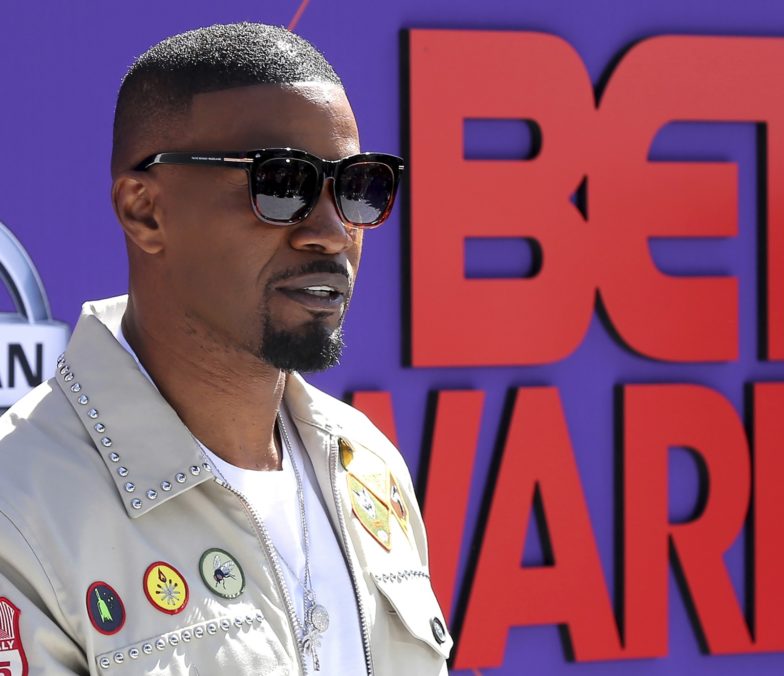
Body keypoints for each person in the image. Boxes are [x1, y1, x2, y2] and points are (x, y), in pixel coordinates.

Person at [0, 22, 451, 675]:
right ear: (145, 212)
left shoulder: (364, 464)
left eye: (358, 186)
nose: (330, 232)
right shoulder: (21, 505)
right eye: (282, 183)